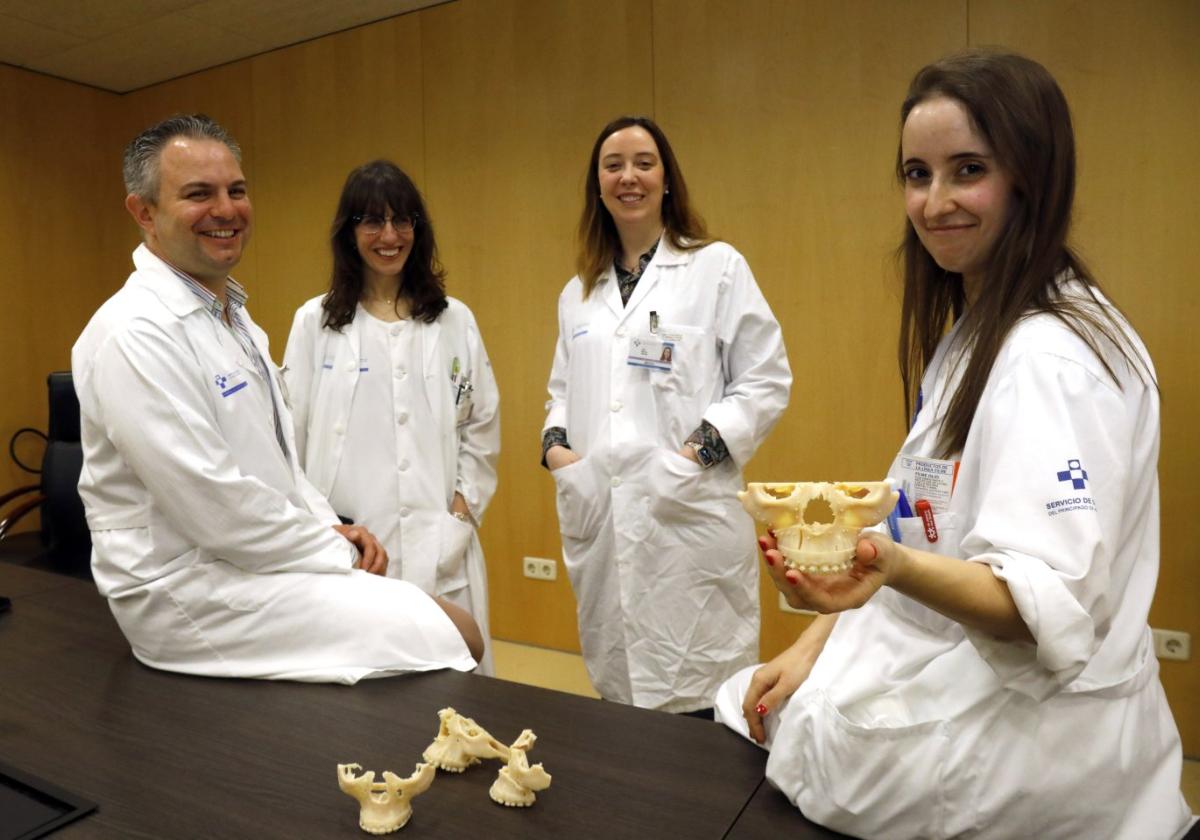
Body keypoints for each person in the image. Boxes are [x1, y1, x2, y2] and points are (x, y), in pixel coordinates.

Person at [715, 51, 1192, 839]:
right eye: (916, 173)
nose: (934, 203)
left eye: (967, 170)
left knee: (791, 734)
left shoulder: (1045, 358)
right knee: (760, 699)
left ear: (1031, 176)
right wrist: (817, 639)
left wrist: (884, 570)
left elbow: (1037, 610)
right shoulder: (979, 336)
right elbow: (922, 520)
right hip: (966, 677)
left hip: (1030, 740)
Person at [73, 114, 484, 683]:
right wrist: (332, 548)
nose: (226, 209)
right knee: (456, 633)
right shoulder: (136, 333)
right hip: (189, 586)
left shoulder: (233, 321)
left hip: (252, 557)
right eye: (199, 194)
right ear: (144, 213)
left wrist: (331, 527)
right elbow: (213, 503)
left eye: (235, 191)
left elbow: (282, 465)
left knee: (442, 633)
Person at [542, 116, 792, 714]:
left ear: (667, 180)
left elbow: (765, 378)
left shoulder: (716, 268)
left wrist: (695, 454)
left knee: (705, 706)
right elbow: (559, 391)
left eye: (644, 163)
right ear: (597, 185)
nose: (629, 176)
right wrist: (558, 452)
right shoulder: (577, 293)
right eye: (614, 165)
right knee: (620, 698)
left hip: (688, 514)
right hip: (602, 512)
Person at [283, 160, 500, 675]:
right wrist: (323, 526)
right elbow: (289, 439)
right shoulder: (315, 322)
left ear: (418, 231)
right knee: (366, 694)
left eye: (402, 221)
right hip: (354, 546)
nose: (388, 235)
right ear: (348, 232)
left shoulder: (453, 319)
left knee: (454, 697)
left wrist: (460, 512)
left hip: (441, 542)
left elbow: (481, 428)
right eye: (371, 222)